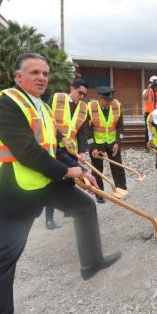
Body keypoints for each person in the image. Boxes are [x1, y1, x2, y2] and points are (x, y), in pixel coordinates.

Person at [0, 53, 120, 314]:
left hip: (42, 182)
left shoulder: (40, 106)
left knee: (84, 206)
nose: (42, 77)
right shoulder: (4, 105)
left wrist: (82, 169)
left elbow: (53, 145)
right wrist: (67, 171)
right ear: (19, 77)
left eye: (44, 72)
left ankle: (91, 263)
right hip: (14, 188)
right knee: (6, 256)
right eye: (34, 72)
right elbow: (27, 151)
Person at [43, 79, 89, 229]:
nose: (81, 96)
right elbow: (46, 122)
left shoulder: (83, 107)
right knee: (54, 180)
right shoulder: (57, 99)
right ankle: (49, 219)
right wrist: (61, 137)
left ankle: (69, 209)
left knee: (71, 178)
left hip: (71, 149)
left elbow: (82, 131)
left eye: (84, 94)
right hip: (55, 147)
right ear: (72, 88)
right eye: (79, 92)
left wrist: (82, 151)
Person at [82, 87, 127, 202]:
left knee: (118, 167)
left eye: (111, 100)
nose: (109, 102)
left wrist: (118, 142)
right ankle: (99, 194)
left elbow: (120, 127)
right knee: (97, 170)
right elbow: (87, 130)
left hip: (112, 143)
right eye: (107, 100)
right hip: (97, 144)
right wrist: (93, 147)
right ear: (100, 98)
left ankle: (121, 190)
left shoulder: (116, 105)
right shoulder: (91, 107)